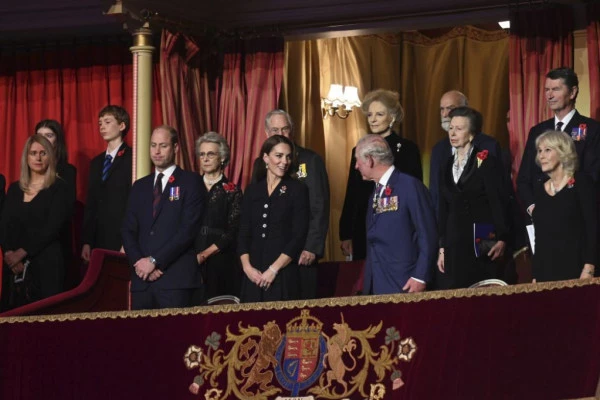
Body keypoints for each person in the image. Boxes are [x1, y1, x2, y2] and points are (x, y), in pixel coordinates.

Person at [121, 125, 203, 310]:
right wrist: (140, 263)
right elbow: (127, 229)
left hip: (175, 281)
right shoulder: (139, 186)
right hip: (142, 281)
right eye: (153, 145)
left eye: (163, 146)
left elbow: (188, 230)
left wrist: (154, 261)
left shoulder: (191, 182)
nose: (157, 151)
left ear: (175, 148)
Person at [250, 110, 330, 299]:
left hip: (302, 251)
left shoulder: (310, 160)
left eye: (285, 129)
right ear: (266, 133)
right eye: (275, 130)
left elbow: (319, 206)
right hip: (271, 250)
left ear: (292, 130)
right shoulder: (260, 163)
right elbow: (257, 206)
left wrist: (312, 246)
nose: (281, 134)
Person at [340, 89, 422, 261]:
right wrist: (345, 233)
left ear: (392, 117)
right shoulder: (359, 149)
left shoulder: (408, 149)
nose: (373, 119)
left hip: (396, 225)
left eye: (379, 114)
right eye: (370, 114)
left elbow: (414, 193)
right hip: (363, 225)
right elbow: (352, 192)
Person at [436, 107, 509, 289]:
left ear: (471, 134)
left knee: (481, 291)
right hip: (454, 240)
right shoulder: (445, 164)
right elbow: (443, 207)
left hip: (481, 238)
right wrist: (442, 247)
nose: (453, 133)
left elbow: (497, 202)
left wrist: (502, 237)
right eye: (451, 128)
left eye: (459, 129)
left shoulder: (486, 161)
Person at [354, 134, 436, 294]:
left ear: (370, 160)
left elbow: (428, 234)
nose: (356, 166)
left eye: (358, 160)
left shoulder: (410, 186)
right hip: (377, 283)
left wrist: (420, 277)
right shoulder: (375, 192)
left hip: (405, 283)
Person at [517, 67, 600, 218]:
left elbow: (592, 176)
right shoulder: (537, 131)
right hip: (539, 216)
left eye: (555, 89)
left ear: (572, 92)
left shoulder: (592, 130)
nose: (549, 95)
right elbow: (524, 179)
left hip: (574, 215)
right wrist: (533, 208)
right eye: (547, 90)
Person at [0, 136, 69, 310]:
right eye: (33, 153)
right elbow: (4, 224)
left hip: (46, 266)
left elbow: (52, 228)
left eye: (43, 153)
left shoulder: (59, 188)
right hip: (14, 267)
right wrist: (9, 253)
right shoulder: (14, 189)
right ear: (26, 157)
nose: (38, 158)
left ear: (50, 157)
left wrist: (21, 253)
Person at [238, 135, 309, 302]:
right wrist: (247, 268)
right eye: (279, 156)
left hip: (282, 273)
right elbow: (243, 232)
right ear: (265, 157)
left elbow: (298, 236)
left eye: (288, 157)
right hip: (253, 274)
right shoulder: (253, 190)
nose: (284, 161)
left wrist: (273, 270)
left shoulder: (297, 189)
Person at [531, 130, 596, 282]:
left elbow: (593, 228)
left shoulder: (581, 182)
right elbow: (539, 237)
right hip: (546, 273)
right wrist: (535, 274)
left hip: (577, 271)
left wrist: (589, 267)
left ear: (563, 152)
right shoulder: (540, 189)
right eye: (539, 151)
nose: (541, 156)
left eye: (547, 150)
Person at [429, 90, 501, 218]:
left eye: (450, 108)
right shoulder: (438, 150)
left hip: (481, 222)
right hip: (449, 223)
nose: (445, 114)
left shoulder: (489, 146)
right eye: (442, 109)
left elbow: (496, 195)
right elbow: (436, 193)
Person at [192, 132, 243, 304]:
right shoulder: (190, 187)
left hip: (221, 261)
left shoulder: (232, 190)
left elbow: (233, 230)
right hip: (191, 260)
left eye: (210, 154)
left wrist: (205, 254)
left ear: (222, 158)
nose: (205, 159)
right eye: (202, 154)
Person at [81, 105, 132, 262]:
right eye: (100, 123)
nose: (102, 126)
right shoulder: (96, 162)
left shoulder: (133, 158)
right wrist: (87, 241)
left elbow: (134, 202)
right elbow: (91, 203)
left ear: (122, 126)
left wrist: (129, 240)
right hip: (98, 237)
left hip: (122, 235)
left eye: (107, 122)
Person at [35, 119, 78, 287]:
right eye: (40, 135)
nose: (43, 139)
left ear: (57, 140)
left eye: (49, 135)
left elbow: (65, 212)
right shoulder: (29, 172)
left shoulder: (67, 172)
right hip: (29, 249)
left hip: (55, 247)